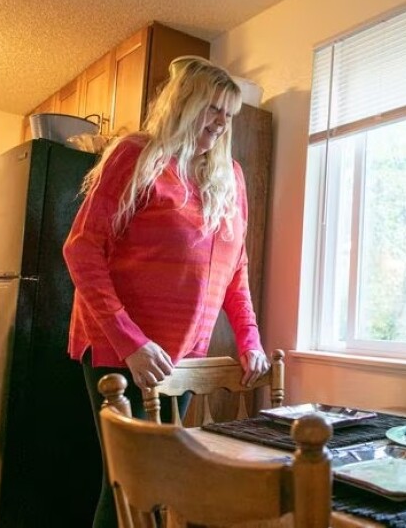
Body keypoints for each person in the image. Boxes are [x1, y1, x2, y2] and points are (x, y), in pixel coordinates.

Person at [63, 56, 270, 528]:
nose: (221, 122)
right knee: (129, 484)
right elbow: (82, 249)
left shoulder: (231, 176)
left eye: (229, 114)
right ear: (184, 103)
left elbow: (235, 270)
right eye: (212, 107)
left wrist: (250, 339)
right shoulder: (136, 154)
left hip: (184, 359)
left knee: (162, 484)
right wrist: (130, 341)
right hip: (123, 350)